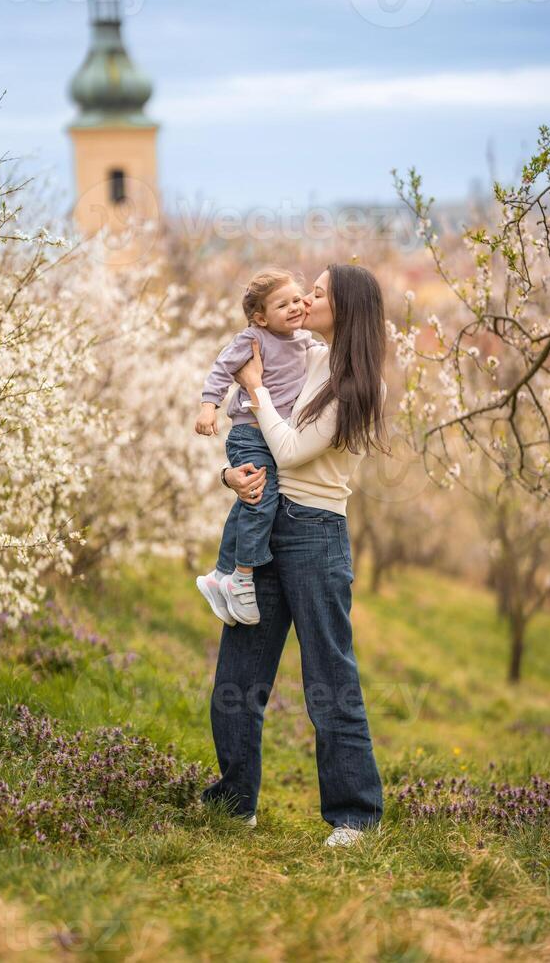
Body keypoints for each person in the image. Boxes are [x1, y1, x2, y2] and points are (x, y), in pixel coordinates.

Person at [201, 263, 389, 848]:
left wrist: (252, 388)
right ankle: (234, 802)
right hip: (267, 520)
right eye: (306, 291)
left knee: (329, 677)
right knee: (237, 674)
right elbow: (257, 444)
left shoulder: (360, 383)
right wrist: (232, 474)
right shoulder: (304, 354)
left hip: (315, 534)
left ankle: (354, 816)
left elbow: (287, 446)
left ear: (346, 307)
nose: (307, 299)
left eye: (319, 293)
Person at [194, 268, 322, 626]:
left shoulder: (305, 341)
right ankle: (242, 579)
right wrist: (209, 407)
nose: (295, 307)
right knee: (259, 502)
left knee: (252, 501)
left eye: (298, 299)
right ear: (261, 317)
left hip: (274, 434)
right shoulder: (254, 339)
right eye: (283, 305)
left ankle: (221, 573)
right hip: (250, 433)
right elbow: (221, 369)